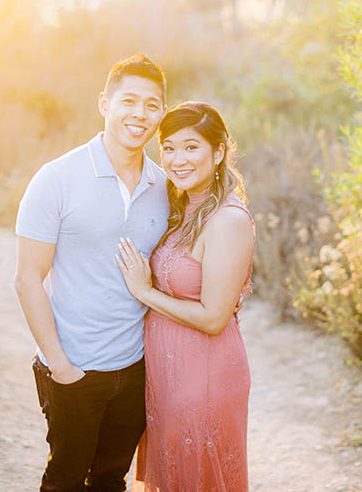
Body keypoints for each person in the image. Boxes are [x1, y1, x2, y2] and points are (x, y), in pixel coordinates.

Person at [14, 53, 169, 492]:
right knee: (64, 479)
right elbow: (28, 278)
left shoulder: (164, 186)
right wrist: (62, 367)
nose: (140, 114)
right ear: (105, 103)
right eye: (129, 101)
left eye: (152, 104)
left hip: (137, 368)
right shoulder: (56, 178)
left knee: (109, 480)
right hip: (74, 368)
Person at [116, 101, 255, 492]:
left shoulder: (228, 220)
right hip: (167, 375)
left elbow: (214, 318)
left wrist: (144, 292)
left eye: (191, 147)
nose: (178, 159)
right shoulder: (181, 207)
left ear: (219, 152)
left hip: (204, 376)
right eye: (169, 147)